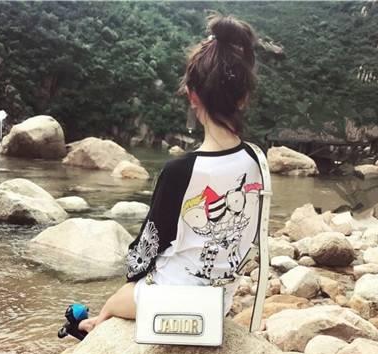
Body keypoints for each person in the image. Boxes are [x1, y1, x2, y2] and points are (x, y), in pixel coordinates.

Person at [76, 12, 262, 336]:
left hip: (173, 299)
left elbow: (149, 245)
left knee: (112, 304)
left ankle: (94, 324)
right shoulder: (256, 160)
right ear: (244, 98)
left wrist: (131, 277)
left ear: (192, 95)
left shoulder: (181, 170)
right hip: (219, 301)